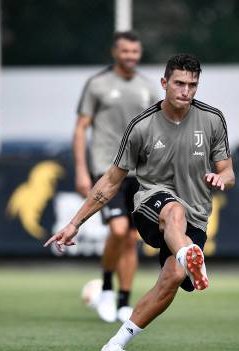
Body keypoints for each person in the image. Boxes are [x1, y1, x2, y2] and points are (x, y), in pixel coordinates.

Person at [46, 53, 234, 351]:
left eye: (192, 85)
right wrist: (74, 223)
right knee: (175, 211)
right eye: (179, 83)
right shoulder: (142, 125)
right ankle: (188, 254)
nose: (186, 91)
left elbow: (228, 170)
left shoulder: (213, 119)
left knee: (172, 279)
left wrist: (221, 177)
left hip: (197, 215)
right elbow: (109, 182)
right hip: (151, 205)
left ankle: (115, 344)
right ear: (164, 83)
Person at [74, 31, 158, 323]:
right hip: (106, 169)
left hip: (141, 171)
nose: (130, 56)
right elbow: (81, 128)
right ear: (115, 52)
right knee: (119, 230)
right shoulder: (97, 85)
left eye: (135, 52)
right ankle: (107, 288)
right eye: (125, 51)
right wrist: (81, 169)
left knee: (131, 238)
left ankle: (124, 301)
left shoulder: (148, 88)